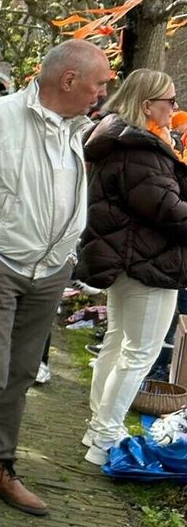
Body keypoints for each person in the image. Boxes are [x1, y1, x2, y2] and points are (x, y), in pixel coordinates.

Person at [0, 39, 110, 527]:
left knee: (23, 371)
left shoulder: (74, 127)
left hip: (49, 272)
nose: (102, 93)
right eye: (98, 83)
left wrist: (66, 256)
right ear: (68, 80)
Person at [77, 69, 187, 465]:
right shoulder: (138, 149)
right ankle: (105, 436)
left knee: (119, 344)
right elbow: (168, 211)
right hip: (146, 261)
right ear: (146, 105)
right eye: (169, 100)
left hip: (128, 258)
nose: (175, 107)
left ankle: (99, 428)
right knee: (139, 352)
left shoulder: (120, 140)